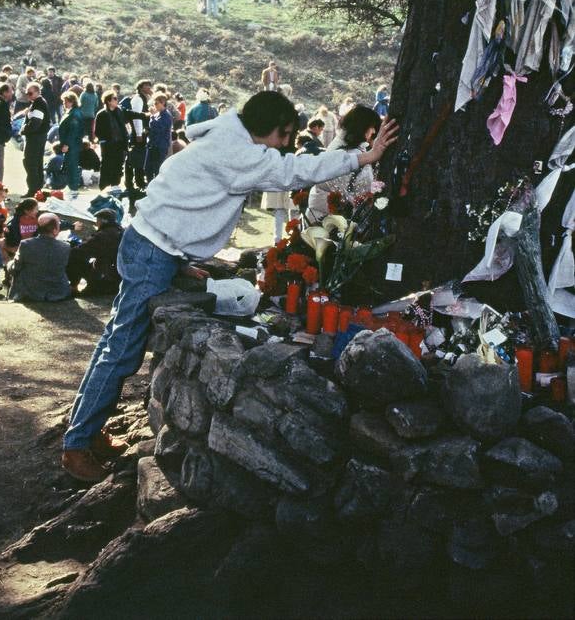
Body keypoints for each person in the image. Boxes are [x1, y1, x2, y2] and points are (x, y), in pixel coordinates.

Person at [60, 92, 398, 481]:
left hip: (155, 246)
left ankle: (85, 431)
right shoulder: (239, 152)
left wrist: (180, 264)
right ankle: (77, 445)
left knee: (113, 343)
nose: (285, 144)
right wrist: (363, 158)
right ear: (266, 127)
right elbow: (295, 170)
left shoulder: (228, 133)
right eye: (283, 135)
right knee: (121, 351)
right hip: (154, 250)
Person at [307, 104, 383, 223]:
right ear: (362, 127)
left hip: (318, 216)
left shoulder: (337, 145)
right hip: (332, 223)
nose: (373, 131)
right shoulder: (356, 155)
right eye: (372, 127)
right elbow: (361, 196)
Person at [8, 213, 71, 303]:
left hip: (31, 292)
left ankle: (12, 296)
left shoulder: (26, 244)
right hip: (58, 292)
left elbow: (16, 267)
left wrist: (8, 265)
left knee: (12, 265)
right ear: (55, 230)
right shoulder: (66, 246)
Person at [68, 209, 123, 296]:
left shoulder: (102, 235)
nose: (96, 223)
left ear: (103, 221)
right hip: (119, 278)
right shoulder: (121, 232)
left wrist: (67, 247)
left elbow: (80, 251)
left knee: (73, 257)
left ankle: (73, 287)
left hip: (105, 278)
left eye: (97, 220)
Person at [21, 82, 50, 197]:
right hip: (39, 137)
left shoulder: (38, 104)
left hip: (35, 137)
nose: (28, 95)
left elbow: (35, 124)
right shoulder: (38, 103)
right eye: (27, 93)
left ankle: (33, 189)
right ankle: (37, 189)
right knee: (36, 163)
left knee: (30, 162)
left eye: (30, 93)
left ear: (38, 92)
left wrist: (23, 130)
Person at [95, 90, 128, 189]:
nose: (117, 100)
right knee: (106, 166)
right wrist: (105, 141)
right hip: (108, 145)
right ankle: (104, 188)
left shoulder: (119, 111)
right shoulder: (102, 114)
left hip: (120, 144)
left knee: (118, 165)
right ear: (108, 101)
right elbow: (97, 131)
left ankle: (115, 186)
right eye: (114, 98)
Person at [2, 197, 39, 267]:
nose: (37, 211)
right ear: (26, 211)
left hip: (33, 246)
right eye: (36, 209)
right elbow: (11, 237)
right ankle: (8, 266)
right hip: (19, 247)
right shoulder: (15, 221)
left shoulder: (38, 218)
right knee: (1, 243)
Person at [59, 92, 84, 195]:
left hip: (72, 144)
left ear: (72, 101)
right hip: (71, 144)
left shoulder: (75, 114)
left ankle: (73, 188)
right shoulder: (71, 112)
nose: (64, 103)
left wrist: (67, 144)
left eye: (66, 101)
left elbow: (73, 131)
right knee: (69, 165)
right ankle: (71, 187)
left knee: (72, 166)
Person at [145, 94, 173, 182]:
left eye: (156, 103)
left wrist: (152, 116)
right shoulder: (158, 115)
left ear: (163, 103)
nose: (155, 106)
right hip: (153, 145)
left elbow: (159, 127)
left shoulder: (167, 115)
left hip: (160, 146)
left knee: (157, 169)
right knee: (148, 168)